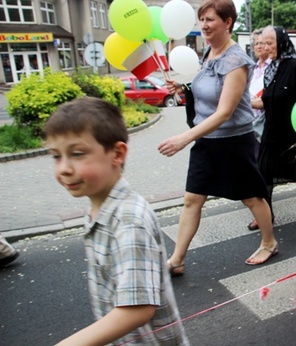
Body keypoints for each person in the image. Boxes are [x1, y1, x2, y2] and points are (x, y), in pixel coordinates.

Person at [44, 97, 189, 345]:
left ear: (117, 153)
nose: (64, 168)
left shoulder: (129, 220)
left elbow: (137, 310)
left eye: (77, 154)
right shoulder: (99, 209)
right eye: (56, 156)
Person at [158, 0, 278, 270]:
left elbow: (224, 112)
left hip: (234, 142)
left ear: (228, 23)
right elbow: (209, 89)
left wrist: (184, 138)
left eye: (210, 19)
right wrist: (183, 87)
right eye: (202, 19)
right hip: (207, 141)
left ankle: (269, 242)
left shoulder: (236, 61)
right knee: (192, 199)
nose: (204, 25)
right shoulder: (209, 54)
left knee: (251, 197)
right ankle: (177, 259)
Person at [248, 25, 296, 230]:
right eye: (264, 43)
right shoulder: (271, 68)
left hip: (293, 137)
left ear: (281, 43)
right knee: (263, 175)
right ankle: (266, 215)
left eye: (270, 43)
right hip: (271, 134)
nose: (266, 47)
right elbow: (266, 100)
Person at [249, 27, 271, 155]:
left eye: (262, 43)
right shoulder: (252, 68)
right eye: (256, 43)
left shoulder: (274, 67)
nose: (258, 46)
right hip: (251, 122)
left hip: (265, 123)